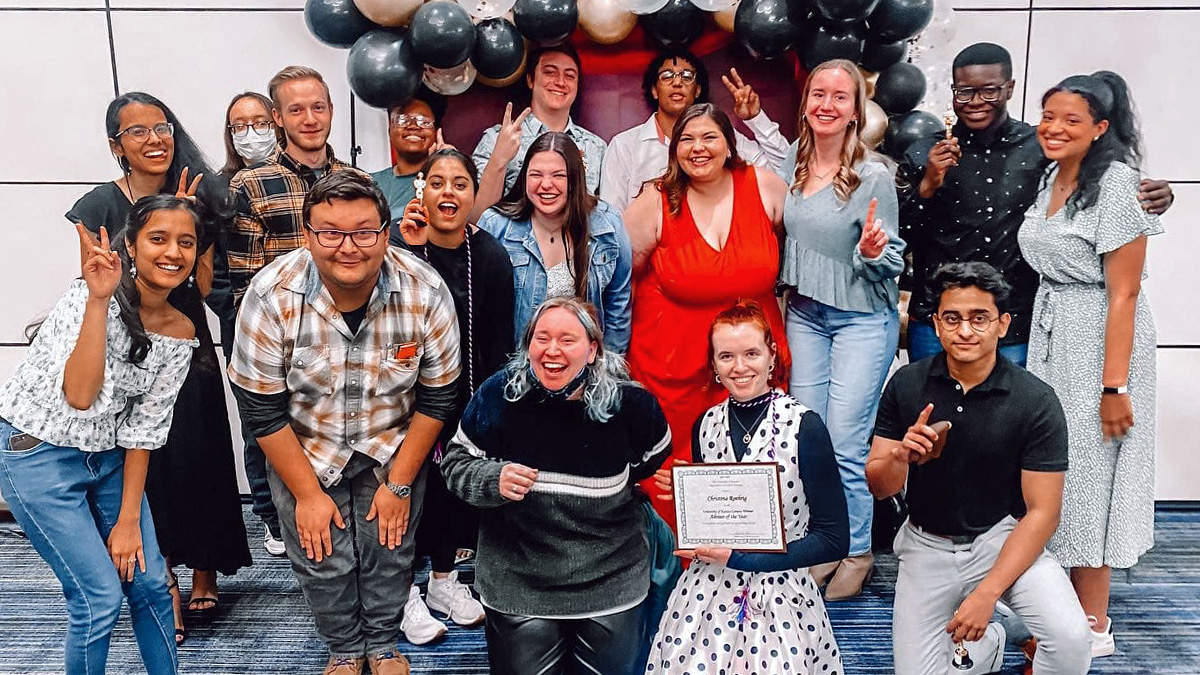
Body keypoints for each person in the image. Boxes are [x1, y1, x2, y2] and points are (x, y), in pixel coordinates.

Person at [228, 171, 460, 675]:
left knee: (391, 552)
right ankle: (344, 650)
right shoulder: (270, 295)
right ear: (308, 235)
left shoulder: (424, 289)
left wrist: (398, 485)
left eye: (364, 232)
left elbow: (440, 396)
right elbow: (261, 409)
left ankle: (381, 644)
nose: (347, 247)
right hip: (305, 446)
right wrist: (308, 496)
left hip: (391, 445)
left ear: (385, 230)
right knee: (322, 558)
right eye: (330, 233)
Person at [65, 91, 250, 642]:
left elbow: (207, 287)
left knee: (200, 451)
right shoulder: (97, 206)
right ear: (116, 145)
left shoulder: (199, 195)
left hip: (186, 342)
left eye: (162, 126)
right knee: (147, 465)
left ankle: (204, 569)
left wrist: (194, 223)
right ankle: (160, 579)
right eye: (138, 131)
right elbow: (95, 287)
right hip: (125, 348)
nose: (154, 139)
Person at [0, 195, 205, 675]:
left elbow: (144, 428)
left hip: (106, 455)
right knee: (98, 597)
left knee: (152, 583)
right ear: (130, 245)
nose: (173, 251)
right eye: (158, 239)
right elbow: (80, 394)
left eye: (186, 242)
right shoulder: (89, 295)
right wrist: (98, 299)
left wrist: (129, 519)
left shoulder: (180, 329)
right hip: (37, 455)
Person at [866, 262, 1092, 675]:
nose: (965, 331)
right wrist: (901, 455)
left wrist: (988, 594)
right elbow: (879, 487)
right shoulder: (907, 384)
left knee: (1073, 638)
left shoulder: (1035, 400)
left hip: (999, 538)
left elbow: (1043, 513)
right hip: (926, 544)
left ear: (1003, 324)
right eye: (952, 318)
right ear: (935, 325)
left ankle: (994, 618)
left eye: (979, 318)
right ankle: (988, 646)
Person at [898, 42, 1173, 367]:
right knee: (931, 412)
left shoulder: (1039, 149)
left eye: (988, 91)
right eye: (964, 92)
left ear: (1010, 88)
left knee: (1014, 417)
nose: (975, 103)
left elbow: (1099, 179)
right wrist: (928, 185)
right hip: (937, 318)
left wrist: (1154, 193)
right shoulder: (923, 153)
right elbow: (900, 238)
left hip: (1014, 321)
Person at [441, 296, 671, 675]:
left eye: (568, 340)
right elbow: (455, 465)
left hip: (610, 578)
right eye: (541, 338)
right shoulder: (499, 395)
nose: (551, 351)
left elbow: (651, 460)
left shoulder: (632, 405)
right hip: (519, 580)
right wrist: (492, 479)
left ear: (593, 349)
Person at [1018, 71, 1162, 659]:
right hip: (1054, 333)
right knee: (1058, 474)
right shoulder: (1054, 175)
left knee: (1092, 481)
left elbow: (1123, 295)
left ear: (1101, 129)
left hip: (1101, 343)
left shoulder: (1119, 185)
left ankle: (1092, 628)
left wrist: (1115, 385)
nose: (1053, 128)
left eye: (1071, 120)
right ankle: (1063, 615)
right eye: (1048, 116)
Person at [645, 300, 848, 675]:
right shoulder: (706, 424)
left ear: (772, 356)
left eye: (751, 353)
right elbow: (715, 522)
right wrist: (693, 497)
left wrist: (747, 560)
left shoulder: (805, 427)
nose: (739, 367)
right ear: (714, 364)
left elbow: (834, 539)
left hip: (782, 589)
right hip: (707, 591)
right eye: (726, 356)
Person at [623, 103, 791, 529]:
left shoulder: (765, 187)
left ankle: (748, 563)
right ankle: (679, 570)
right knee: (676, 472)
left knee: (752, 464)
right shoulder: (655, 200)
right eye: (687, 139)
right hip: (673, 364)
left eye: (709, 137)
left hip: (748, 360)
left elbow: (806, 249)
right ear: (673, 147)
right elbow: (624, 273)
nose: (698, 148)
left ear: (729, 144)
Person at [777, 59, 905, 599]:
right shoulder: (794, 160)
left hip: (860, 321)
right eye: (818, 94)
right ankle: (822, 545)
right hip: (805, 314)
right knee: (808, 439)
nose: (827, 104)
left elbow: (891, 256)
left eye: (840, 97)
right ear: (806, 103)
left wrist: (870, 251)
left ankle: (856, 551)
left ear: (856, 110)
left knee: (847, 446)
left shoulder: (873, 173)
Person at [228, 65, 359, 557]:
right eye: (297, 109)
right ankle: (279, 524)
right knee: (274, 438)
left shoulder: (355, 181)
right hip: (282, 342)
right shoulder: (251, 185)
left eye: (319, 107)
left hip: (347, 341)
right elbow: (241, 283)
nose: (310, 118)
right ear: (279, 118)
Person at [389, 148, 515, 642]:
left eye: (460, 184)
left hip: (460, 394)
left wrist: (492, 409)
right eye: (437, 182)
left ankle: (443, 579)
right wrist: (408, 245)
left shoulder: (489, 255)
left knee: (447, 494)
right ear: (423, 191)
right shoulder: (400, 246)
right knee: (403, 491)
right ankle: (401, 592)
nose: (448, 193)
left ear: (473, 194)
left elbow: (498, 343)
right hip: (400, 401)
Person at [478, 132, 632, 353]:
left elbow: (618, 304)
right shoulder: (496, 225)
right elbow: (482, 313)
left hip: (583, 366)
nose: (546, 185)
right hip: (515, 366)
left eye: (558, 175)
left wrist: (607, 369)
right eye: (536, 175)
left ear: (575, 179)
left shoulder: (607, 224)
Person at [600, 50, 789, 213]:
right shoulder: (625, 146)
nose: (677, 83)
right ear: (654, 90)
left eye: (686, 76)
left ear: (697, 90)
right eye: (667, 76)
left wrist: (755, 118)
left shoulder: (719, 138)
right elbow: (612, 221)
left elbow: (784, 171)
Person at [470, 44, 606, 220]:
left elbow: (606, 219)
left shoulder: (595, 146)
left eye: (570, 76)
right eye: (550, 72)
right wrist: (499, 160)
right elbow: (476, 220)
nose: (561, 82)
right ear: (530, 80)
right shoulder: (497, 138)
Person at [212, 91, 282, 360]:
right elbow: (211, 269)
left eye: (260, 123)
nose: (250, 132)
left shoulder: (303, 179)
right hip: (243, 325)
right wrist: (242, 312)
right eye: (240, 126)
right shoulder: (217, 189)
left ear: (276, 124)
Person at [369, 88, 454, 241]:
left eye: (424, 122)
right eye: (402, 119)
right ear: (390, 130)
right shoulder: (367, 182)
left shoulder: (442, 186)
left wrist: (447, 170)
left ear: (436, 132)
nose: (413, 126)